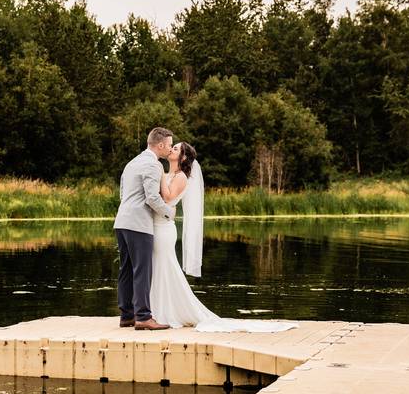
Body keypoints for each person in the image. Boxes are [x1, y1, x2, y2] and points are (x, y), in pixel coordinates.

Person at [149, 141, 297, 333]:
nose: (171, 149)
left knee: (164, 266)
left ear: (183, 157)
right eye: (172, 146)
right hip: (155, 225)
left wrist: (159, 175)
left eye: (176, 148)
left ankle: (163, 312)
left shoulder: (181, 177)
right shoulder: (168, 174)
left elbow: (168, 199)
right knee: (159, 267)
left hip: (164, 230)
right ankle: (156, 309)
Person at [113, 127, 176, 330]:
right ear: (159, 145)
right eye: (169, 145)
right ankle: (143, 317)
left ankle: (126, 316)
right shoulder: (153, 165)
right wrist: (169, 213)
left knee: (126, 270)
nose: (170, 148)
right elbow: (151, 197)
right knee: (142, 270)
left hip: (122, 221)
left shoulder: (132, 163)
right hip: (139, 224)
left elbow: (123, 194)